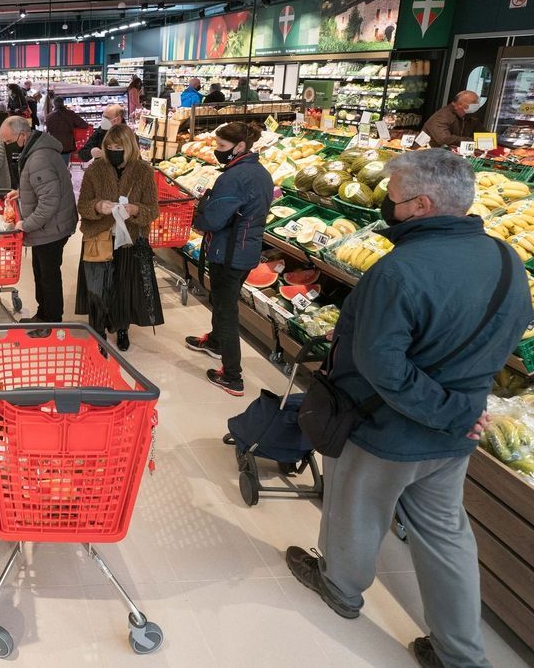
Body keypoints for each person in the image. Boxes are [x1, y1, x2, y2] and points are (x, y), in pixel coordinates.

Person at [285, 149, 532, 668]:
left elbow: (384, 367)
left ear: (420, 205)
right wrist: (464, 409)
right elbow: (505, 336)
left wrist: (447, 409)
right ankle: (461, 654)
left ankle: (340, 588)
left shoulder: (397, 272)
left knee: (355, 515)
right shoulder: (508, 262)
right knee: (446, 538)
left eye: (393, 198)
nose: (386, 206)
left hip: (385, 431)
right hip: (455, 436)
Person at [184, 122, 273, 396]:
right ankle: (216, 342)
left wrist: (198, 218)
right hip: (246, 250)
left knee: (225, 310)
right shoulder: (260, 172)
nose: (217, 151)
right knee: (222, 300)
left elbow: (214, 217)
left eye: (222, 147)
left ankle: (233, 376)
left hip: (230, 251)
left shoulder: (234, 177)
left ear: (240, 147)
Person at [75, 124, 161, 350]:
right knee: (97, 287)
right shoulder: (95, 170)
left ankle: (122, 328)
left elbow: (153, 210)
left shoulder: (143, 172)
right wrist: (98, 206)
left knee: (124, 287)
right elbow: (82, 205)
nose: (113, 150)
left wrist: (134, 210)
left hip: (129, 240)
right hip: (98, 237)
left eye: (118, 146)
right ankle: (98, 329)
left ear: (129, 147)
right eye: (109, 146)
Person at [0, 116, 77, 323]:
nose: (7, 146)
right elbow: (42, 187)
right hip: (50, 226)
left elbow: (48, 203)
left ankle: (51, 322)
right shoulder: (35, 150)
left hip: (52, 228)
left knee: (48, 277)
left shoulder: (38, 158)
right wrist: (21, 192)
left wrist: (25, 224)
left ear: (22, 135)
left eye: (8, 141)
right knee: (41, 273)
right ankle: (43, 315)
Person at [45, 97, 90, 166]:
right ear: (63, 103)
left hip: (54, 145)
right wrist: (73, 126)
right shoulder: (70, 114)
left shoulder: (49, 116)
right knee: (64, 166)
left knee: (55, 166)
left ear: (54, 104)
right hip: (67, 145)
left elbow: (48, 130)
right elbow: (84, 125)